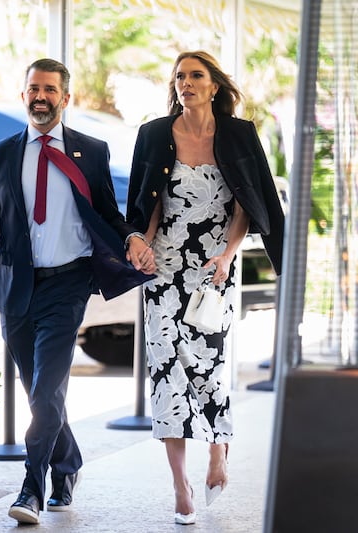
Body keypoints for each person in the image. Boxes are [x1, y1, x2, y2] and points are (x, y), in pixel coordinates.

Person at [0, 58, 155, 525]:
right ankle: (68, 464)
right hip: (16, 289)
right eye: (33, 89)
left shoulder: (92, 151)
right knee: (39, 393)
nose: (40, 97)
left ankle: (31, 489)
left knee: (46, 394)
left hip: (68, 285)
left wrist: (131, 237)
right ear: (23, 95)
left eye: (49, 90)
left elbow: (107, 212)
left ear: (66, 98)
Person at [125, 51, 285, 525]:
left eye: (196, 76)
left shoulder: (238, 134)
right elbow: (144, 200)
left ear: (215, 85)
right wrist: (141, 244)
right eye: (180, 77)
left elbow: (249, 202)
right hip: (163, 268)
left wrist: (228, 253)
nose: (186, 83)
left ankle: (218, 454)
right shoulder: (153, 133)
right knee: (166, 373)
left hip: (214, 267)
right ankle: (180, 486)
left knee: (209, 367)